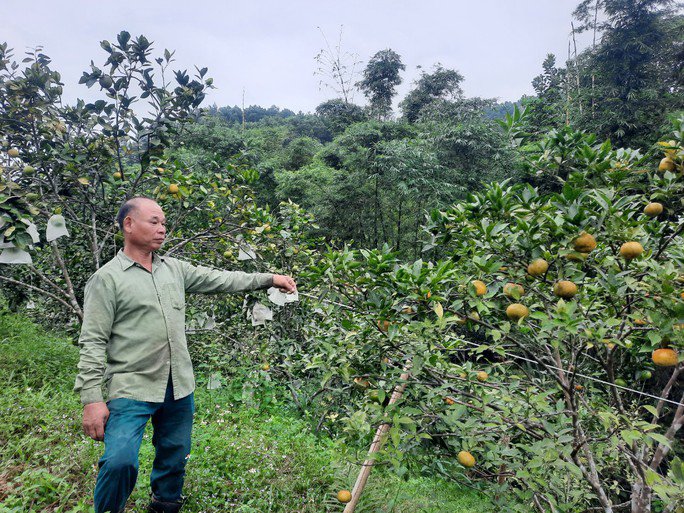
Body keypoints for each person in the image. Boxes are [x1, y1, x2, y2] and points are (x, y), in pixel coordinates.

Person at [74, 197, 296, 513]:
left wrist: (269, 279)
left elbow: (222, 279)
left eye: (164, 223)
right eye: (154, 221)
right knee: (119, 460)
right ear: (129, 224)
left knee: (175, 454)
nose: (162, 229)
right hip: (131, 385)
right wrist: (92, 399)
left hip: (177, 384)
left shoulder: (173, 269)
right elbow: (93, 341)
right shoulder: (107, 279)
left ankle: (164, 506)